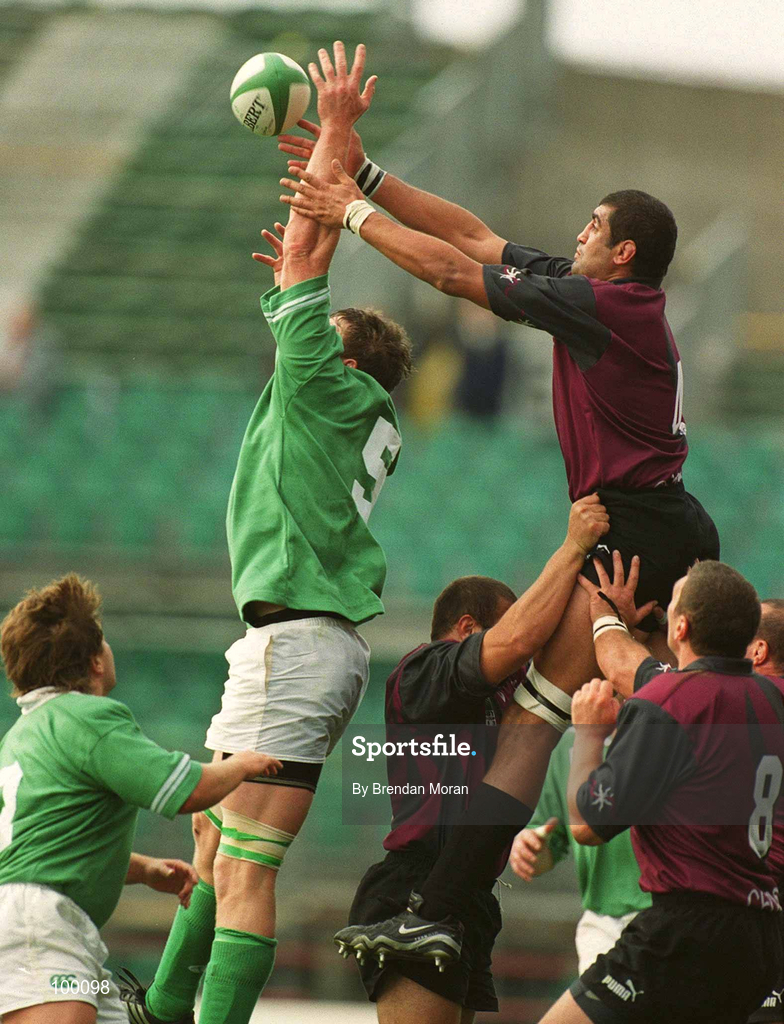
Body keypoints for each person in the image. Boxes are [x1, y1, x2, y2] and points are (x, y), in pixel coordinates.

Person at [275, 104, 718, 960]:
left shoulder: (605, 307)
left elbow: (448, 273)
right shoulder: (605, 298)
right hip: (654, 519)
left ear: (623, 252)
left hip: (634, 528)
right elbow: (476, 238)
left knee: (541, 720)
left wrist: (350, 215)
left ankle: (441, 906)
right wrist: (368, 178)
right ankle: (455, 902)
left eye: (593, 226)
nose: (578, 234)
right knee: (648, 706)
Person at [119, 43, 413, 1024]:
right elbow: (303, 269)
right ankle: (165, 1009)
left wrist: (328, 133)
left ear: (345, 350)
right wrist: (308, 263)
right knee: (215, 851)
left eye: (320, 327)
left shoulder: (323, 381)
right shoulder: (356, 406)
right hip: (306, 642)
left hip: (295, 641)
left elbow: (301, 263)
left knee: (243, 867)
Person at [335, 496, 611, 1024]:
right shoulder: (421, 673)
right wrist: (574, 546)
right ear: (466, 628)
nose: (520, 662)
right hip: (416, 887)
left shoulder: (499, 701)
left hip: (471, 896)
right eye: (504, 632)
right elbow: (518, 640)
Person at [0, 573, 280, 1024]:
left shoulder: (22, 736)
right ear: (94, 661)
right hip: (43, 928)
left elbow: (42, 847)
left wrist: (144, 870)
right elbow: (187, 790)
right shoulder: (88, 718)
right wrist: (242, 765)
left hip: (33, 923)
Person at [533, 559, 784, 1023]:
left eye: (672, 605)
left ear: (682, 625)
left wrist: (589, 734)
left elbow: (587, 827)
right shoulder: (770, 698)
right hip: (762, 933)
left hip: (686, 931)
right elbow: (652, 676)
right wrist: (607, 619)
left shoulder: (667, 702)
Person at [509, 727, 651, 977]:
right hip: (602, 925)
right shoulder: (566, 743)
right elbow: (547, 838)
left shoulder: (666, 729)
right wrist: (530, 850)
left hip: (668, 916)